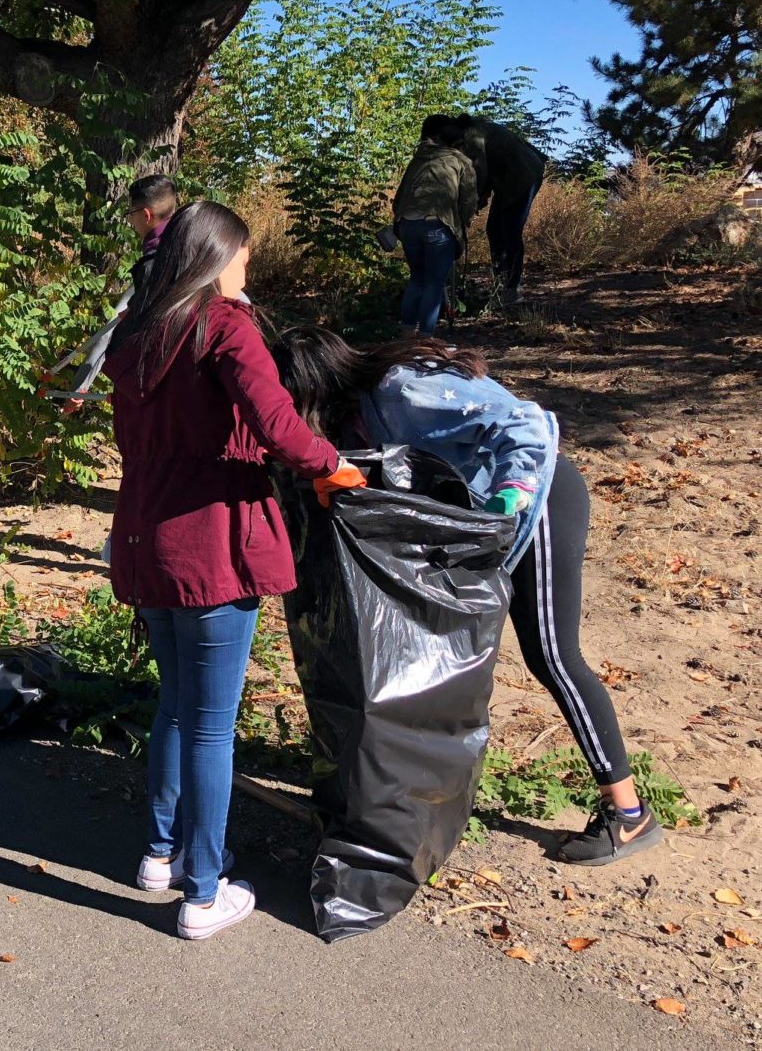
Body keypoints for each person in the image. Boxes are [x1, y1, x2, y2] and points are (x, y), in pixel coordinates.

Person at [270, 327, 663, 866]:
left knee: (552, 653)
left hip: (538, 501)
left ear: (318, 386)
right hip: (483, 522)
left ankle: (629, 813)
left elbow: (526, 422)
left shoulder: (401, 391)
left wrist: (511, 497)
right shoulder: (358, 413)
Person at [101, 201, 365, 939]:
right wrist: (334, 466)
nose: (249, 269)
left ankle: (161, 851)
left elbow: (134, 439)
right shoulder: (224, 327)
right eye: (244, 257)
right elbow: (278, 422)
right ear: (219, 259)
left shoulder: (138, 334)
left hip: (144, 538)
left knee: (175, 704)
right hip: (212, 542)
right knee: (212, 726)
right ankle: (203, 892)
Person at [48, 174, 182, 409]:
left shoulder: (154, 266)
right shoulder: (197, 248)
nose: (131, 222)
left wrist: (80, 388)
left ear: (146, 215)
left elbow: (111, 331)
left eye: (131, 214)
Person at [392, 118, 479, 338]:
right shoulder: (461, 161)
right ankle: (426, 339)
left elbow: (398, 199)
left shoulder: (419, 159)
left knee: (417, 279)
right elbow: (469, 202)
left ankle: (407, 335)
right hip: (437, 226)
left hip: (406, 225)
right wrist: (462, 222)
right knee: (434, 283)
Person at [451, 113, 548, 304]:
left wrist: (475, 200)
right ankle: (500, 281)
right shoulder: (478, 128)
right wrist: (481, 196)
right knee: (494, 230)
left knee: (510, 231)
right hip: (507, 179)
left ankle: (511, 287)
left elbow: (480, 170)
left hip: (523, 176)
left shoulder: (473, 134)